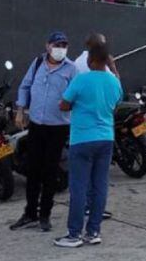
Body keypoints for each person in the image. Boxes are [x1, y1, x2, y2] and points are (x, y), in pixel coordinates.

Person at [55, 41, 122, 248]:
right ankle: (93, 231)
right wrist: (114, 68)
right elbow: (117, 102)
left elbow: (64, 105)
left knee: (79, 187)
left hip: (82, 139)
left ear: (91, 60)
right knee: (100, 186)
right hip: (106, 138)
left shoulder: (81, 80)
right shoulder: (114, 82)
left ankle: (74, 234)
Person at [11, 31, 79, 232]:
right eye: (57, 44)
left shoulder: (72, 69)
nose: (60, 49)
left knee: (50, 171)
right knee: (32, 169)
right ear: (48, 46)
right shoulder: (38, 63)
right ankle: (30, 212)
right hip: (36, 124)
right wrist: (20, 110)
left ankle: (45, 214)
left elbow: (77, 95)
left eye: (64, 45)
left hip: (58, 127)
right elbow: (25, 86)